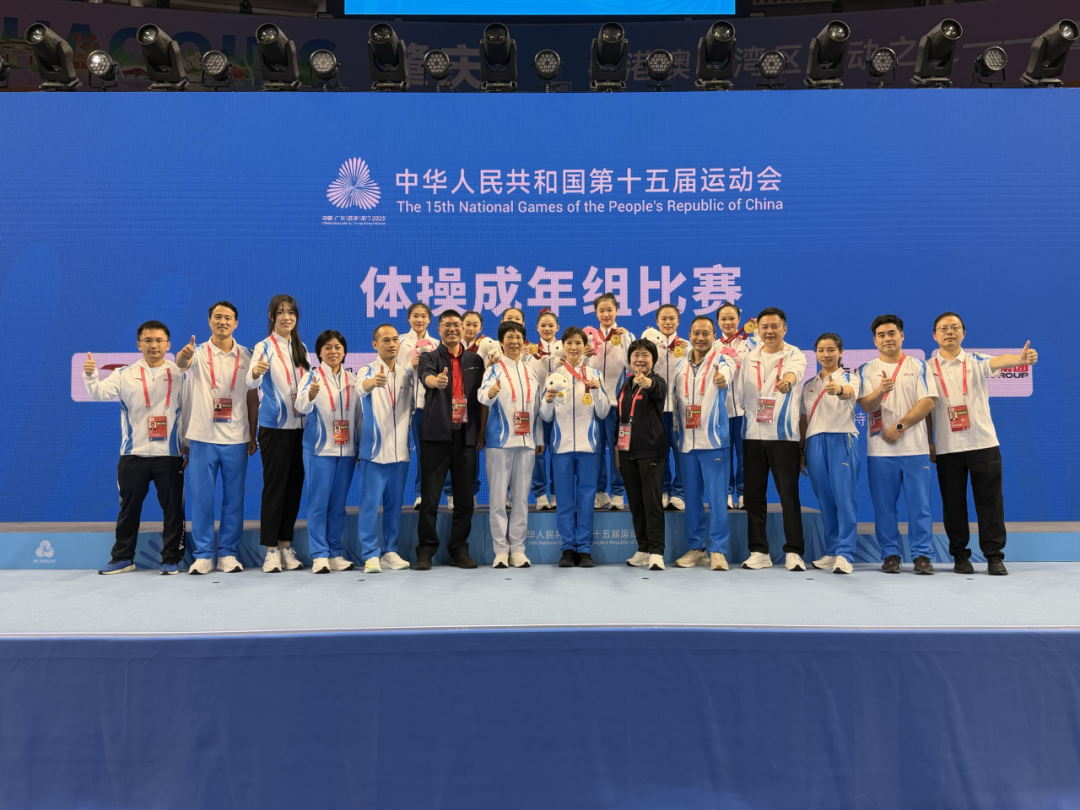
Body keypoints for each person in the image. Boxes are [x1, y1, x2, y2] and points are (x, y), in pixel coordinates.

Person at [928, 313, 1038, 576]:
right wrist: (929, 442)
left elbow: (1000, 361)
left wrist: (1020, 359)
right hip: (947, 448)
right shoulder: (926, 368)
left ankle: (994, 557)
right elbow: (926, 407)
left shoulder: (976, 361)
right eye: (944, 328)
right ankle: (960, 556)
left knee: (990, 503)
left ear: (963, 333)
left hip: (983, 444)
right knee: (953, 506)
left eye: (955, 327)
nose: (949, 332)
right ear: (935, 335)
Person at [85, 321, 188, 575]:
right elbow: (99, 393)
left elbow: (189, 410)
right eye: (148, 340)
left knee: (173, 510)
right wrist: (91, 376)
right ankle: (123, 557)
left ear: (168, 345)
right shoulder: (124, 373)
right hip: (133, 454)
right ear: (138, 344)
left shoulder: (180, 373)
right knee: (128, 510)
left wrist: (186, 444)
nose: (154, 345)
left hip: (170, 455)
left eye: (159, 340)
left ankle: (171, 558)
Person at [175, 302, 259, 575]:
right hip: (202, 436)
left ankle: (228, 553)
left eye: (228, 318)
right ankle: (202, 555)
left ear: (236, 323)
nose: (223, 321)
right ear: (209, 321)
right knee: (202, 499)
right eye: (218, 317)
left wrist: (253, 434)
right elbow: (181, 365)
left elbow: (252, 398)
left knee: (234, 499)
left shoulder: (248, 355)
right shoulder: (197, 352)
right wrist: (184, 356)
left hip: (236, 437)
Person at [857, 315, 938, 575]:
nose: (887, 338)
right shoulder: (866, 369)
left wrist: (900, 427)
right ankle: (890, 554)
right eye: (881, 335)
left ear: (901, 336)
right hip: (880, 451)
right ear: (874, 341)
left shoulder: (918, 365)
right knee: (884, 508)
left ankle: (922, 555)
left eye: (892, 333)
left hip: (915, 449)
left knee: (919, 507)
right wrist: (880, 391)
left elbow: (928, 402)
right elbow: (866, 405)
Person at [736, 307, 807, 571]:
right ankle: (758, 550)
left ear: (784, 329)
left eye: (774, 326)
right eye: (764, 326)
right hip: (752, 435)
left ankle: (794, 551)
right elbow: (741, 394)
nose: (769, 331)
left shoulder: (794, 354)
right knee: (754, 496)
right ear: (758, 330)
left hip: (783, 436)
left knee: (788, 495)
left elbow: (794, 373)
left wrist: (786, 382)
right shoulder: (749, 357)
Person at [415, 309, 485, 570]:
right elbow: (426, 377)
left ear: (463, 328)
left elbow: (481, 399)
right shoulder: (429, 357)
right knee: (430, 499)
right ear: (439, 330)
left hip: (466, 436)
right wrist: (437, 381)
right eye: (446, 325)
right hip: (436, 436)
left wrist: (480, 433)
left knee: (465, 500)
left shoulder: (475, 360)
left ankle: (458, 550)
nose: (452, 328)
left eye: (456, 324)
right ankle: (425, 552)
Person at [246, 294, 311, 574]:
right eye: (281, 312)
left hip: (302, 429)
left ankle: (285, 546)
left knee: (294, 488)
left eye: (291, 312)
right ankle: (270, 550)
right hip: (274, 428)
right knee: (275, 488)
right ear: (272, 317)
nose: (287, 317)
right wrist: (256, 372)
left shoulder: (302, 348)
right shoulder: (264, 347)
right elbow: (251, 382)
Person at [671, 317, 737, 571]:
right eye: (696, 333)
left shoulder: (722, 360)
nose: (700, 338)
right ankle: (696, 548)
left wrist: (722, 379)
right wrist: (677, 434)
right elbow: (676, 402)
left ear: (714, 336)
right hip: (686, 444)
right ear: (689, 335)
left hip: (713, 442)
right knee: (691, 499)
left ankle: (718, 550)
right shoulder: (680, 365)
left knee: (718, 499)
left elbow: (727, 374)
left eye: (706, 333)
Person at [541, 326, 610, 568]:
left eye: (578, 343)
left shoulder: (594, 374)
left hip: (589, 446)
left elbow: (603, 411)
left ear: (584, 346)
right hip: (561, 447)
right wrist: (547, 401)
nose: (573, 347)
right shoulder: (554, 375)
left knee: (587, 497)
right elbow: (545, 416)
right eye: (569, 343)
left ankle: (585, 548)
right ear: (563, 346)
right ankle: (568, 548)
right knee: (564, 498)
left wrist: (597, 390)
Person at [478, 321, 542, 569]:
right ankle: (500, 550)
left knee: (521, 500)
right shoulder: (494, 369)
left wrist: (539, 437)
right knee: (497, 499)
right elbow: (482, 397)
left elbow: (537, 408)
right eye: (509, 337)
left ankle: (518, 549)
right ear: (501, 342)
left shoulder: (531, 372)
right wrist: (491, 393)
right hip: (500, 441)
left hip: (526, 442)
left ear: (524, 341)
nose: (514, 341)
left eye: (518, 337)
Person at [295, 330, 359, 575]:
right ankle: (319, 554)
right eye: (328, 348)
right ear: (319, 353)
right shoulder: (311, 377)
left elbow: (359, 416)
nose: (333, 351)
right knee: (318, 504)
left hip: (347, 451)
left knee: (338, 506)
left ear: (344, 351)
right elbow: (300, 406)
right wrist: (310, 395)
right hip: (319, 450)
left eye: (338, 347)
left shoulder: (352, 379)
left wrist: (359, 446)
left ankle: (334, 552)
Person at [799, 334, 860, 575]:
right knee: (825, 499)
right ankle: (832, 550)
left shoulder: (850, 378)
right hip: (814, 442)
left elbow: (849, 393)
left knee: (844, 499)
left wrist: (839, 389)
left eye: (831, 350)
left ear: (840, 352)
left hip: (841, 439)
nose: (826, 354)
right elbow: (804, 419)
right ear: (815, 353)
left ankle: (846, 553)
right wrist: (801, 450)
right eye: (821, 350)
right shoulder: (809, 385)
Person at [356, 324, 416, 573]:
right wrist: (373, 382)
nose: (391, 344)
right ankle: (370, 554)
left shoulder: (406, 374)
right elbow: (360, 387)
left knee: (394, 506)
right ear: (375, 345)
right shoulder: (366, 370)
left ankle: (390, 551)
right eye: (386, 340)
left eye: (394, 340)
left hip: (400, 452)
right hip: (374, 451)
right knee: (370, 505)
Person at [615, 339, 668, 571]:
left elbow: (657, 390)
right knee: (636, 505)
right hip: (627, 453)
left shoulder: (657, 381)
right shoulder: (626, 386)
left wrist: (648, 383)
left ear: (653, 360)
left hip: (651, 452)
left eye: (645, 355)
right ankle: (643, 549)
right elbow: (620, 420)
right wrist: (617, 451)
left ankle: (656, 552)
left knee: (652, 504)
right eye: (636, 355)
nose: (640, 359)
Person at [587, 292, 636, 511]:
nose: (606, 314)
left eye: (609, 310)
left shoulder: (627, 336)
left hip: (618, 405)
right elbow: (582, 369)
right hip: (594, 405)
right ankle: (600, 492)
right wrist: (584, 355)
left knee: (618, 448)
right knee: (596, 449)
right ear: (596, 312)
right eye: (601, 310)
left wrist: (625, 342)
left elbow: (632, 368)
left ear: (617, 311)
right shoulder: (588, 337)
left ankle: (618, 492)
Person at [715, 302, 756, 510]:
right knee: (723, 455)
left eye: (732, 318)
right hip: (720, 411)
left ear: (739, 319)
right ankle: (726, 493)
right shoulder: (713, 346)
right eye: (723, 319)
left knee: (744, 456)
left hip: (744, 410)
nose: (728, 322)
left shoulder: (750, 343)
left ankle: (744, 492)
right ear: (717, 322)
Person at [400, 302, 437, 509]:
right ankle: (394, 497)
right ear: (408, 318)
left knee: (425, 452)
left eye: (423, 316)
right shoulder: (399, 342)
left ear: (429, 319)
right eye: (415, 315)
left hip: (425, 407)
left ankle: (422, 494)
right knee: (398, 453)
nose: (419, 320)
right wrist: (409, 365)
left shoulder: (437, 344)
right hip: (401, 405)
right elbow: (391, 371)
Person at [653, 303, 687, 511]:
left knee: (681, 452)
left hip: (679, 409)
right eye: (663, 319)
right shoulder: (650, 347)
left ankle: (680, 492)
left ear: (678, 322)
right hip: (657, 409)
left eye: (672, 318)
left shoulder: (687, 347)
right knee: (660, 453)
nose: (667, 322)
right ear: (657, 322)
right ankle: (664, 490)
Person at [529, 308, 561, 510]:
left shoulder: (565, 349)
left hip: (560, 411)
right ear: (537, 328)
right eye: (543, 325)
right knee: (538, 453)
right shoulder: (529, 352)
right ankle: (540, 494)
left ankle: (557, 493)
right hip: (537, 412)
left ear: (557, 327)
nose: (547, 329)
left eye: (551, 325)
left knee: (559, 454)